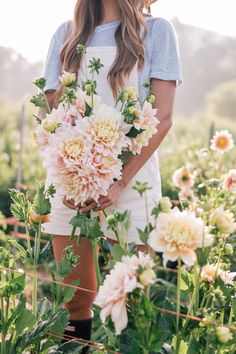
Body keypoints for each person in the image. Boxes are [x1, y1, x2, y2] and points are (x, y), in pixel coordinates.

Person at [39, 0, 183, 351]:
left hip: (133, 182)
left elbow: (161, 118)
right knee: (74, 299)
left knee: (134, 300)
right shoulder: (66, 35)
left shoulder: (157, 32)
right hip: (72, 181)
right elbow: (55, 117)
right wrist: (75, 173)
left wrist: (119, 181)